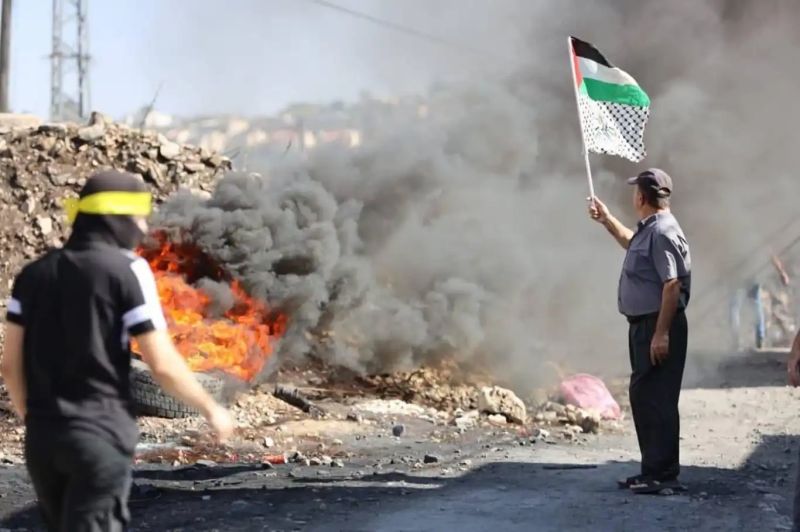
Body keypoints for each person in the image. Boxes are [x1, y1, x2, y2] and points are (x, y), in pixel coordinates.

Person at [0, 170, 234, 531]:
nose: (142, 227)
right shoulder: (127, 269)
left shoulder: (33, 274)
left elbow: (10, 364)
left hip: (44, 441)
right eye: (138, 218)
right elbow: (161, 363)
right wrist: (210, 408)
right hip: (99, 437)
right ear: (116, 217)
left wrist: (33, 419)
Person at [589, 168, 692, 494]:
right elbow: (631, 244)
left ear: (642, 197)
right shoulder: (652, 229)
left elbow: (672, 285)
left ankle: (663, 474)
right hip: (646, 325)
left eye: (636, 191)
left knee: (656, 399)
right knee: (645, 396)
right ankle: (652, 470)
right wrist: (607, 220)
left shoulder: (661, 232)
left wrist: (661, 334)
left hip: (656, 324)